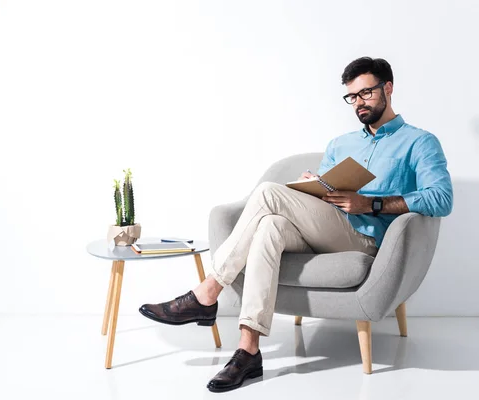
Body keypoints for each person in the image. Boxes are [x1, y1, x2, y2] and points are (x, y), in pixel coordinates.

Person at [138, 56, 453, 393]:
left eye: (366, 93)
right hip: (328, 227)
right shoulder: (341, 144)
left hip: (365, 237)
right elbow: (325, 196)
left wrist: (372, 203)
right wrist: (315, 186)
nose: (358, 103)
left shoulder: (420, 142)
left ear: (388, 88)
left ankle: (208, 292)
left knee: (269, 194)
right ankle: (248, 351)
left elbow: (441, 198)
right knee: (270, 225)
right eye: (352, 97)